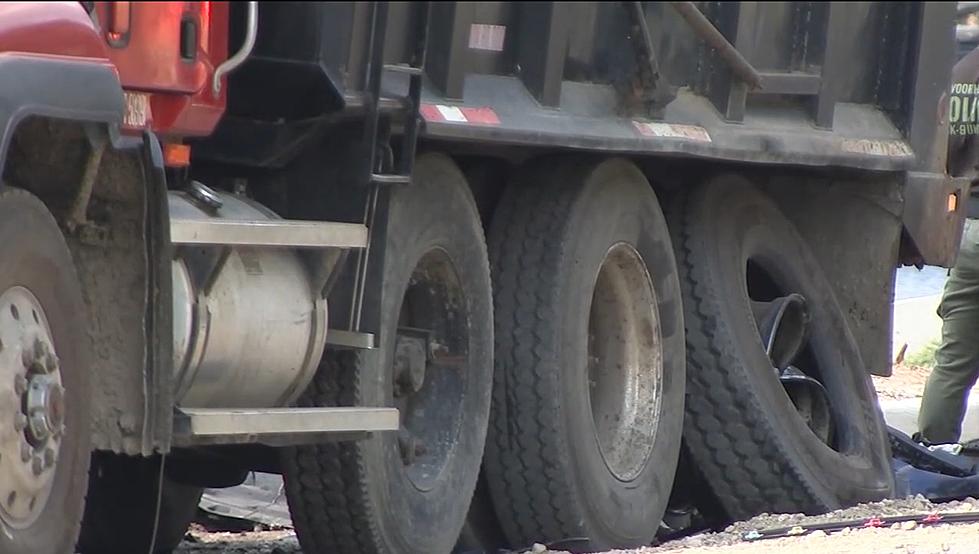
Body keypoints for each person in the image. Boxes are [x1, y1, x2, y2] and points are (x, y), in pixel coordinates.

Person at [917, 45, 979, 445]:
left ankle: (934, 453)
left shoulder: (966, 73)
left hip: (970, 232)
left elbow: (942, 147)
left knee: (954, 361)